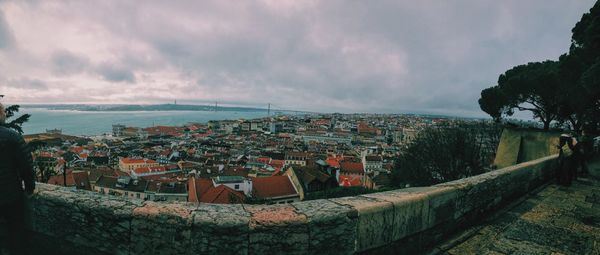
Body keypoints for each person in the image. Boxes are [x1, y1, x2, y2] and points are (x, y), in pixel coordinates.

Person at [0, 103, 35, 255]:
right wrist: (30, 189)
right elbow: (26, 167)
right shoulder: (12, 137)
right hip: (9, 195)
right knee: (16, 230)